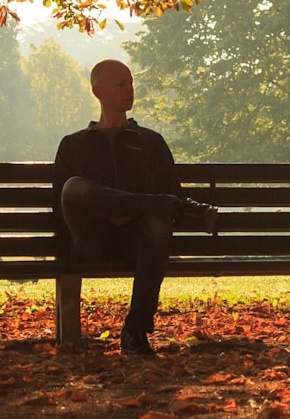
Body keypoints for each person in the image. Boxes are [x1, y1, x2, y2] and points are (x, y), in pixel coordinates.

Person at [51, 59, 216, 355]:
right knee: (75, 186)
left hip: (136, 241)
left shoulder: (150, 142)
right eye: (120, 84)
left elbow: (170, 191)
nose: (129, 90)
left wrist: (135, 210)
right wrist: (146, 205)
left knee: (159, 223)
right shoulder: (74, 144)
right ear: (97, 90)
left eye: (131, 83)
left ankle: (135, 330)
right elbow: (62, 203)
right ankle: (173, 207)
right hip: (91, 241)